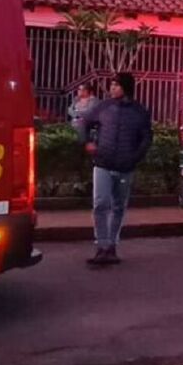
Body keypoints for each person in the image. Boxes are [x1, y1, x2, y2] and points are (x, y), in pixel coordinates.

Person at [78, 73, 152, 266]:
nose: (112, 89)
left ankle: (112, 246)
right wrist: (87, 143)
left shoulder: (139, 112)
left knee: (118, 206)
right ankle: (101, 246)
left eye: (116, 85)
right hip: (102, 163)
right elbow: (84, 124)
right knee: (100, 204)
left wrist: (134, 158)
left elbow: (146, 138)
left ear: (126, 87)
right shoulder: (103, 107)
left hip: (125, 167)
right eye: (111, 85)